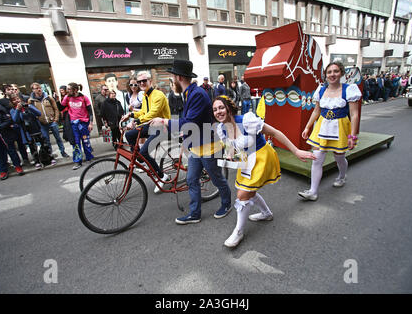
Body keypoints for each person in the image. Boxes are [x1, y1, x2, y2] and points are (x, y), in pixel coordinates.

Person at [212, 96, 315, 247]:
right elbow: (231, 146)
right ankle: (266, 213)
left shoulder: (247, 120)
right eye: (215, 109)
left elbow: (276, 133)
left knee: (242, 194)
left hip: (262, 156)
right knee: (247, 190)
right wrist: (230, 155)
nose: (218, 112)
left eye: (221, 107)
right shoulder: (221, 128)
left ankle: (238, 232)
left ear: (229, 108)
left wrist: (296, 151)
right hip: (247, 159)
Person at [149, 59, 232, 224]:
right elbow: (190, 120)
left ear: (179, 77)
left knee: (217, 179)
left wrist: (164, 121)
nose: (172, 81)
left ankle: (227, 204)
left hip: (208, 145)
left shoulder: (197, 94)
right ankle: (195, 214)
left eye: (172, 78)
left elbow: (189, 122)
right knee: (192, 179)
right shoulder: (190, 92)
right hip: (196, 144)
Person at [298, 61, 361, 201]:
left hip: (340, 127)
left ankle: (342, 176)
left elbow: (354, 114)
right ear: (325, 75)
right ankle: (313, 191)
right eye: (329, 72)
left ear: (341, 73)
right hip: (322, 126)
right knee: (317, 159)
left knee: (339, 157)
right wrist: (308, 126)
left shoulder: (349, 89)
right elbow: (316, 111)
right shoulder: (320, 90)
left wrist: (352, 135)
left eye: (336, 71)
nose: (332, 74)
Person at [121, 70, 171, 193]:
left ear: (150, 81)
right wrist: (131, 115)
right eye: (139, 82)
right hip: (151, 126)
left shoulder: (158, 95)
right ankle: (140, 159)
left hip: (163, 128)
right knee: (129, 135)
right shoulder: (145, 95)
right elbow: (143, 112)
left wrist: (137, 122)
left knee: (144, 151)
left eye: (144, 80)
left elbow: (152, 113)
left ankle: (161, 175)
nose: (142, 83)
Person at [29, 82, 69, 158]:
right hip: (42, 123)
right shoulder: (31, 101)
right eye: (36, 88)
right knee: (46, 140)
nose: (39, 90)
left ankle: (63, 152)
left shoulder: (48, 97)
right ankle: (50, 154)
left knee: (58, 138)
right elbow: (31, 113)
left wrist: (56, 119)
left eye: (40, 88)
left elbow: (56, 109)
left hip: (52, 122)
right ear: (33, 90)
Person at [10, 94, 50, 169]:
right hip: (27, 132)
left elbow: (38, 113)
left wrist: (29, 107)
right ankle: (37, 161)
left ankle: (48, 158)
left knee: (44, 144)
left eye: (18, 99)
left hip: (36, 129)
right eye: (14, 100)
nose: (17, 101)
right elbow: (15, 120)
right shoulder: (13, 110)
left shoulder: (28, 106)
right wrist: (18, 110)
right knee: (32, 147)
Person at [61, 82, 94, 170]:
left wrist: (91, 123)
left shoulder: (84, 97)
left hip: (84, 124)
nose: (67, 91)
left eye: (69, 89)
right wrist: (57, 100)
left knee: (86, 141)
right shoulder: (67, 97)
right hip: (73, 125)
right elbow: (61, 107)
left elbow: (90, 111)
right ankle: (78, 161)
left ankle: (89, 158)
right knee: (76, 143)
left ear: (75, 90)